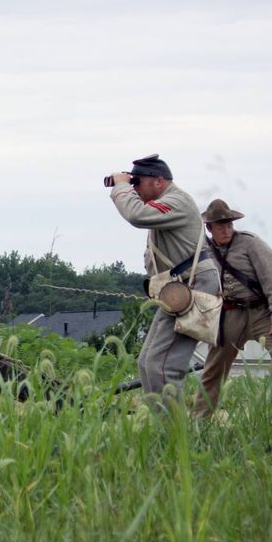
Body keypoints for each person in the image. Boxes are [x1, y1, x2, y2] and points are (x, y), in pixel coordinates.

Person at [108, 154, 220, 405]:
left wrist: (121, 186)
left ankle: (172, 433)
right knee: (148, 362)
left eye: (138, 182)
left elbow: (136, 215)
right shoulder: (168, 201)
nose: (135, 188)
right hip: (178, 289)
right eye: (133, 183)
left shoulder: (176, 201)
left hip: (192, 288)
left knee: (164, 366)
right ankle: (161, 428)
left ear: (158, 181)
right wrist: (127, 186)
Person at [191, 199, 272, 417]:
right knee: (214, 369)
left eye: (229, 224)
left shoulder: (249, 243)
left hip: (262, 314)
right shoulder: (203, 251)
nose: (226, 229)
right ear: (209, 227)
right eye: (220, 225)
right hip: (229, 315)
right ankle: (199, 420)